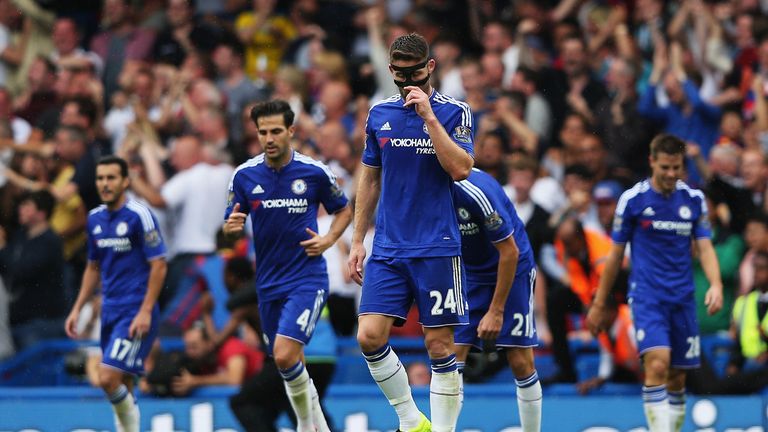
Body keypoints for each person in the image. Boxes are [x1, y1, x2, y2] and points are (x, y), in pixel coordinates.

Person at [347, 33, 475, 432]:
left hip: (437, 245)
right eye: (400, 75)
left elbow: (461, 169)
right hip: (387, 245)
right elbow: (370, 178)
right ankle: (410, 420)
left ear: (431, 67)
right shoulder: (379, 114)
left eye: (415, 73)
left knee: (440, 347)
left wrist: (428, 118)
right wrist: (356, 240)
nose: (408, 82)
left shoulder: (455, 113)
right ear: (390, 71)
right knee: (368, 337)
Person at [223, 99, 352, 432]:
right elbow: (230, 221)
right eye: (263, 131)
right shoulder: (244, 176)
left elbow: (344, 210)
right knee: (289, 363)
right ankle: (317, 425)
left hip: (307, 278)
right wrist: (231, 227)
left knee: (283, 355)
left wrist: (328, 240)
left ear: (291, 131)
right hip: (268, 285)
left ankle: (306, 425)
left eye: (276, 131)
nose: (269, 138)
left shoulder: (313, 172)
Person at [587, 134, 723, 432]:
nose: (671, 174)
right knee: (658, 363)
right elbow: (614, 257)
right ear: (652, 162)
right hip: (648, 297)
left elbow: (705, 247)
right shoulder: (633, 200)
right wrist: (599, 303)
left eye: (676, 167)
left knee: (677, 376)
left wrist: (716, 284)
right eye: (665, 167)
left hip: (683, 299)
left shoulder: (693, 200)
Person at [64, 156, 168, 432]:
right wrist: (77, 308)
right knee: (124, 383)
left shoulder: (140, 215)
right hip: (109, 310)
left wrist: (146, 310)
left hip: (134, 310)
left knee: (107, 377)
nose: (105, 184)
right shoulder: (94, 218)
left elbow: (159, 265)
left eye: (111, 178)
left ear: (125, 181)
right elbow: (92, 267)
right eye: (100, 178)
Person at [453, 168, 542, 431]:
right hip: (468, 271)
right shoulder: (425, 190)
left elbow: (510, 252)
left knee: (519, 359)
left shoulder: (477, 190)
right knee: (448, 356)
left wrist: (496, 311)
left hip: (512, 268)